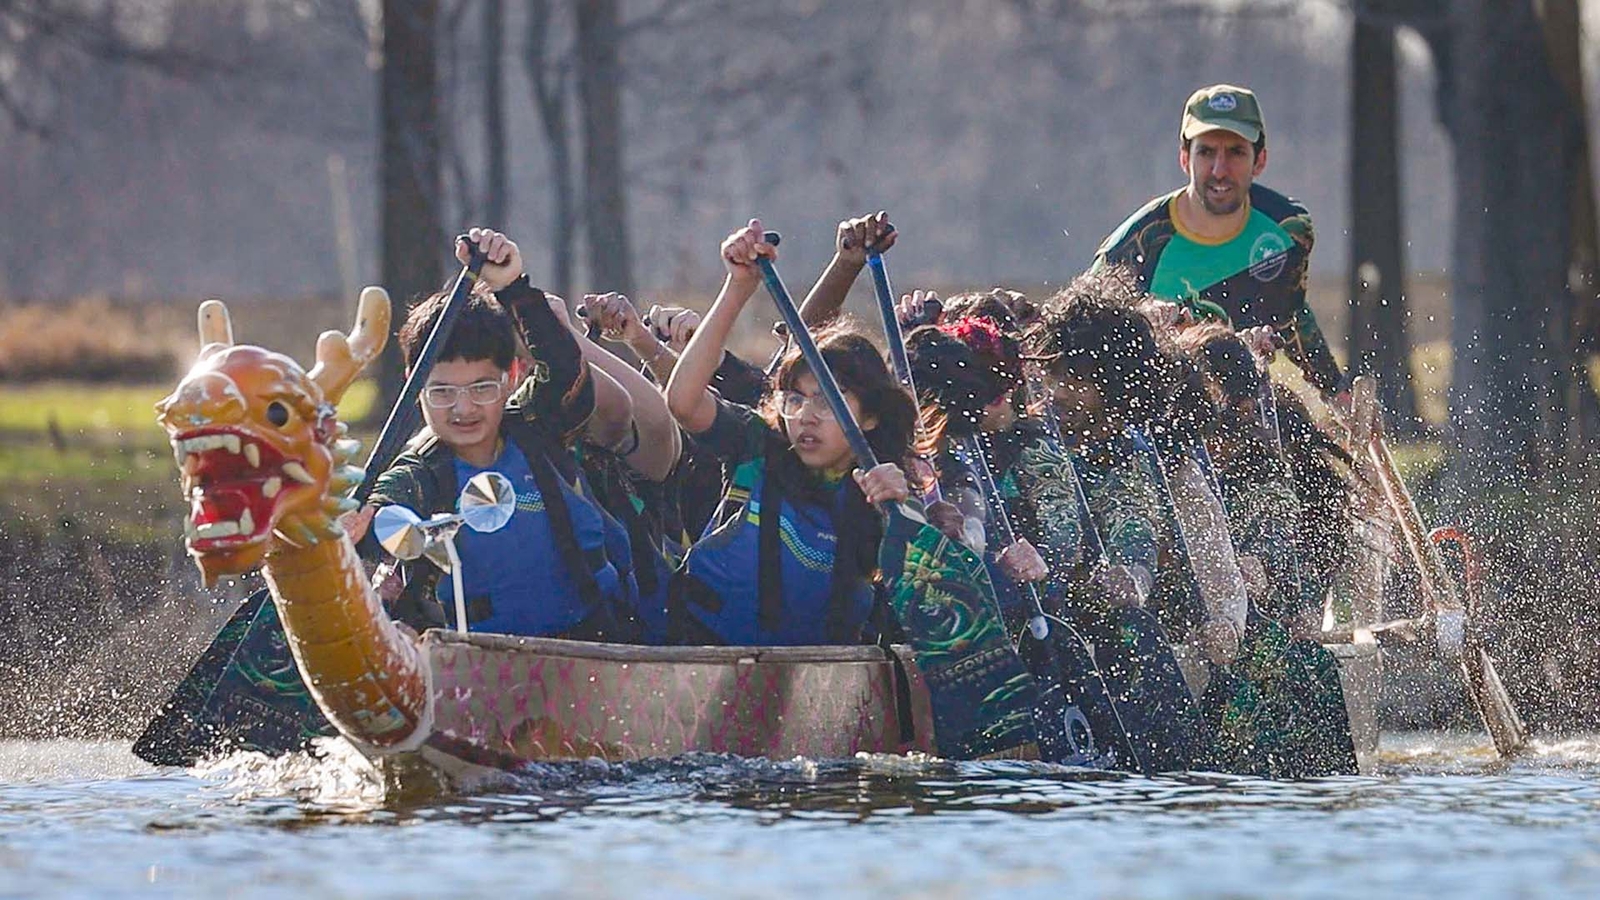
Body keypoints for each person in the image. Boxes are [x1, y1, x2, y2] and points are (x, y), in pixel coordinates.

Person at [353, 229, 648, 641]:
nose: (463, 409)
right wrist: (354, 529)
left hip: (595, 643)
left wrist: (512, 288)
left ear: (510, 378)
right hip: (476, 662)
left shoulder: (536, 426)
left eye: (481, 388)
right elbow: (382, 511)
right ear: (413, 387)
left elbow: (565, 374)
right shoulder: (419, 473)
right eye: (442, 392)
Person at [663, 219, 917, 646]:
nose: (806, 417)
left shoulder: (890, 491)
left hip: (819, 675)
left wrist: (907, 516)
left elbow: (928, 597)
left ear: (871, 418)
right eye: (795, 399)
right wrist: (738, 287)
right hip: (707, 653)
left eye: (827, 401)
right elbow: (683, 402)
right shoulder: (759, 443)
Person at [1092, 84, 1345, 400]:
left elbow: (1290, 314)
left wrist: (1337, 392)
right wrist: (1146, 318)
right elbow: (1080, 333)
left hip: (1240, 404)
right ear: (1185, 159)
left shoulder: (1287, 230)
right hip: (1153, 404)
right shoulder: (1137, 243)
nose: (1219, 170)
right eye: (1206, 152)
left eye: (1236, 152)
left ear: (1260, 161)